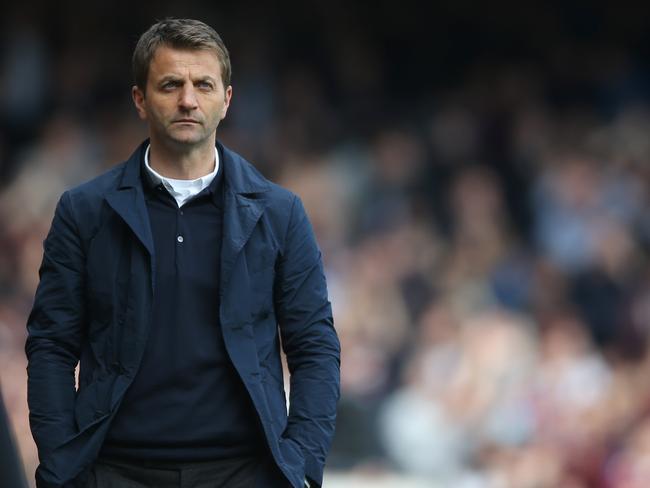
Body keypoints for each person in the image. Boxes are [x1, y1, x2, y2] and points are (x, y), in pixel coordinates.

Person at [25, 18, 340, 488]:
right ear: (140, 99)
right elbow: (51, 345)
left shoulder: (280, 213)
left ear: (227, 99)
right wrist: (63, 468)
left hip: (245, 471)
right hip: (114, 470)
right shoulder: (85, 211)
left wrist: (300, 466)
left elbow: (314, 348)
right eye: (170, 84)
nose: (188, 99)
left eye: (203, 85)